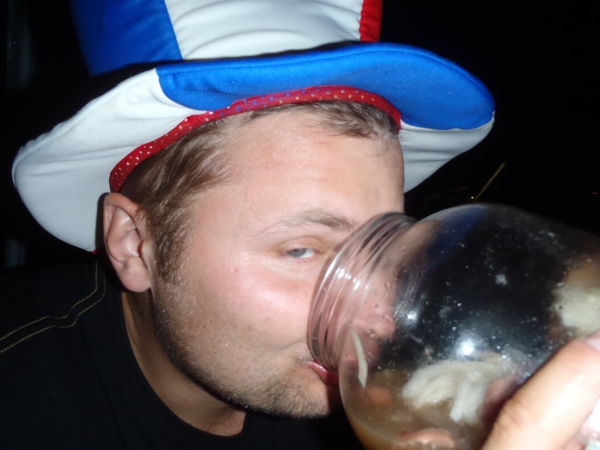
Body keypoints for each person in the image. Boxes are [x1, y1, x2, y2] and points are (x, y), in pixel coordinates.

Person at [2, 1, 599, 449]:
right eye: (300, 250)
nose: (381, 319)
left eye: (384, 242)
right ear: (135, 244)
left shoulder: (380, 410)